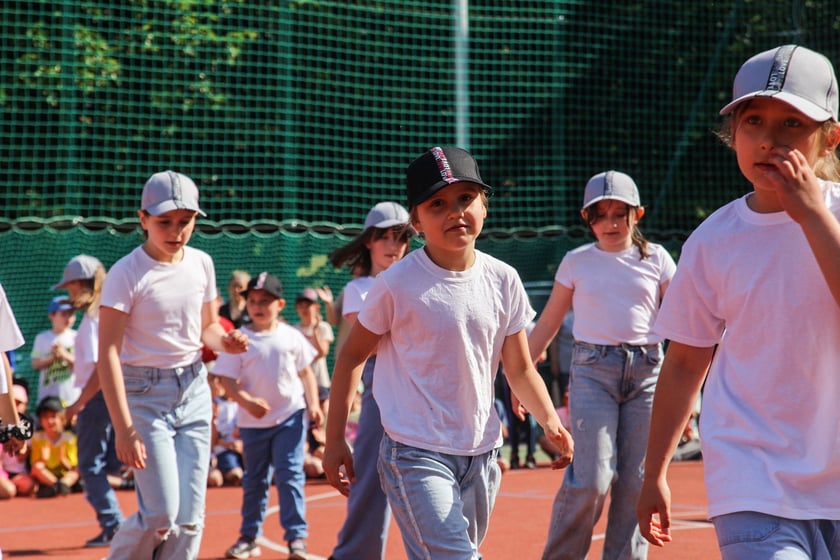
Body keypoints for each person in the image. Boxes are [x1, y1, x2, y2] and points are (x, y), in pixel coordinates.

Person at [636, 45, 840, 559]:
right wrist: (654, 471)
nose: (769, 140)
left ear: (829, 138)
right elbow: (684, 362)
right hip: (752, 480)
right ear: (734, 136)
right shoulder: (713, 240)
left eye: (792, 124)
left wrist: (813, 215)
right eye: (753, 121)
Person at [324, 146, 574, 559]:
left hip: (481, 453)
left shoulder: (503, 280)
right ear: (417, 222)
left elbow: (519, 367)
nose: (455, 211)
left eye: (465, 199)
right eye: (437, 204)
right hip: (413, 452)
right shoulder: (396, 284)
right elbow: (350, 357)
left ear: (484, 206)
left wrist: (549, 420)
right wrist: (335, 439)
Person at [97, 170, 249, 560]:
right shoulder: (125, 273)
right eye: (164, 221)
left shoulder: (202, 263)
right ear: (142, 218)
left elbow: (208, 329)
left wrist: (225, 342)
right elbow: (108, 353)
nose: (176, 231)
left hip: (194, 390)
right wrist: (124, 428)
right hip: (144, 398)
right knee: (160, 515)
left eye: (185, 222)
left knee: (191, 517)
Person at [528, 170, 676, 559]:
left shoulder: (657, 258)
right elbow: (547, 322)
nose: (610, 223)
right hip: (594, 371)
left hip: (648, 372)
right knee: (591, 479)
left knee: (635, 483)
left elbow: (684, 322)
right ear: (587, 218)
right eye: (600, 215)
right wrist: (519, 375)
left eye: (619, 213)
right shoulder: (576, 262)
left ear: (637, 214)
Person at [325, 200, 414, 560]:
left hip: (423, 381)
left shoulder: (417, 278)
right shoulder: (360, 288)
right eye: (384, 237)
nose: (393, 245)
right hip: (382, 386)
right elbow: (367, 346)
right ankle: (353, 554)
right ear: (369, 242)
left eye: (401, 237)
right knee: (370, 477)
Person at [213, 272, 322, 560]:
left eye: (265, 301)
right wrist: (246, 402)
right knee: (255, 480)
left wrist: (314, 405)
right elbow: (226, 379)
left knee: (290, 475)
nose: (258, 306)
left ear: (281, 304)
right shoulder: (239, 339)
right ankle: (249, 537)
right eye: (252, 301)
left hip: (290, 417)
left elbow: (306, 373)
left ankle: (296, 539)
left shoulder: (291, 336)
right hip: (253, 424)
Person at [57, 254, 127, 547]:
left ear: (82, 283)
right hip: (103, 397)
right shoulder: (96, 315)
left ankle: (115, 526)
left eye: (70, 287)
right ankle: (118, 526)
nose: (68, 293)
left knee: (89, 466)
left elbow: (102, 368)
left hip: (98, 398)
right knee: (107, 465)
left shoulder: (97, 315)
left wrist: (77, 404)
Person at [293, 288, 335, 453]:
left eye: (308, 305)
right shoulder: (294, 330)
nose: (304, 309)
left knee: (322, 417)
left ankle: (323, 447)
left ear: (316, 307)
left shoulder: (323, 328)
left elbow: (321, 352)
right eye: (301, 305)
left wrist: (315, 330)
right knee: (304, 419)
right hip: (301, 383)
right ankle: (308, 450)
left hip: (320, 381)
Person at [31, 296, 80, 406]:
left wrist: (64, 354)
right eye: (63, 314)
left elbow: (81, 365)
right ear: (52, 316)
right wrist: (52, 358)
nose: (68, 318)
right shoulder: (42, 338)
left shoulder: (77, 336)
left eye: (71, 314)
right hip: (47, 398)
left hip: (71, 397)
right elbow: (35, 364)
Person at [30, 395, 81, 498]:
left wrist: (63, 460)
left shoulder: (70, 438)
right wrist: (44, 459)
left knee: (76, 472)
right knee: (37, 468)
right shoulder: (37, 438)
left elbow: (73, 466)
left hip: (64, 474)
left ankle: (63, 485)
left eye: (53, 417)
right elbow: (34, 465)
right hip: (47, 475)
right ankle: (56, 486)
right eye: (45, 417)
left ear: (62, 419)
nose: (49, 421)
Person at [206, 374, 244, 488]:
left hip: (242, 449)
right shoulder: (214, 404)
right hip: (222, 451)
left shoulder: (244, 403)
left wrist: (241, 444)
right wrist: (227, 444)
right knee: (234, 476)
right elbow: (212, 440)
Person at [0, 384, 35, 497]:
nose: (14, 407)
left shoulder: (30, 428)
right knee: (9, 491)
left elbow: (22, 455)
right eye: (12, 403)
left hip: (19, 473)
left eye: (18, 403)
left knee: (29, 486)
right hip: (2, 472)